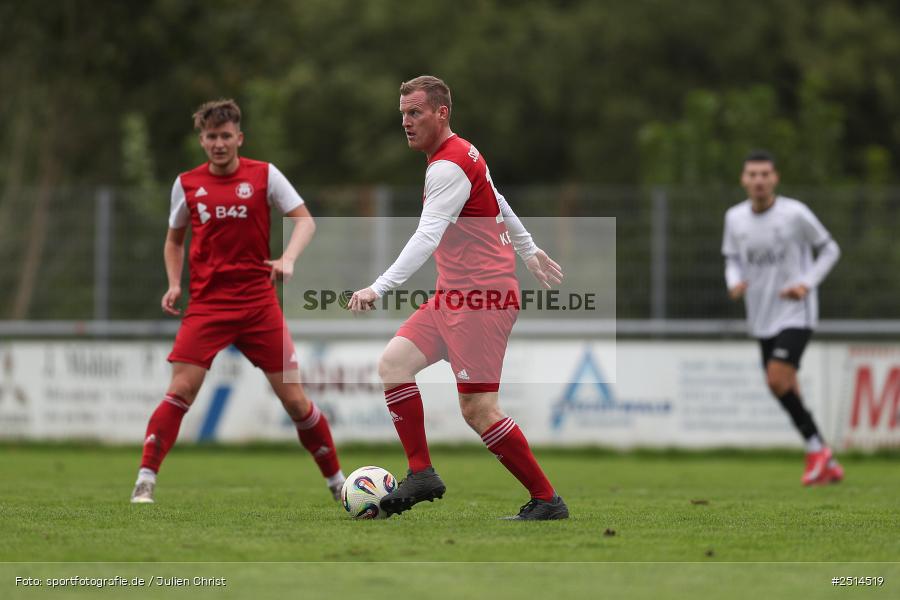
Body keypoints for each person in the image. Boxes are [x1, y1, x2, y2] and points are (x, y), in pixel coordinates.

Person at [348, 76, 568, 520]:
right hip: (453, 296)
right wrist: (528, 250)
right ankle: (422, 473)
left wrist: (379, 286)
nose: (407, 122)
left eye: (416, 113)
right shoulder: (463, 153)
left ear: (441, 112)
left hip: (481, 300)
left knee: (479, 410)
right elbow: (498, 198)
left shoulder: (448, 165)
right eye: (403, 114)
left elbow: (427, 235)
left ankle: (547, 500)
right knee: (394, 364)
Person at [130, 99, 344, 503]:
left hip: (258, 305)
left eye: (226, 136)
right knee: (181, 390)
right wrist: (174, 283)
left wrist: (288, 258)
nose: (219, 143)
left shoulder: (264, 175)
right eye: (211, 136)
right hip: (208, 306)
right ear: (202, 140)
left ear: (239, 138)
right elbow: (174, 240)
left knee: (296, 401)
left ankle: (338, 483)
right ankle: (145, 479)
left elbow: (305, 220)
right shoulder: (187, 184)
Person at [722, 150, 843, 485]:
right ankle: (823, 457)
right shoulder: (735, 218)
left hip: (796, 312)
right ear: (743, 180)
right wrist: (734, 283)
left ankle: (818, 451)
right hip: (761, 314)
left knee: (776, 379)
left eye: (765, 174)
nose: (759, 180)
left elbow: (831, 249)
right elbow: (732, 258)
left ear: (775, 178)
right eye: (752, 175)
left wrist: (806, 283)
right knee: (785, 386)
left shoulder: (795, 214)